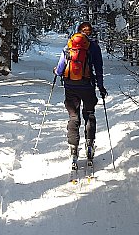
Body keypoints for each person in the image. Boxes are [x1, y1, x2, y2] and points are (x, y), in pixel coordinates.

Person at [54, 22, 107, 168]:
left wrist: (56, 72)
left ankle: (73, 149)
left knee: (73, 117)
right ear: (90, 33)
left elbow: (60, 69)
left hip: (70, 86)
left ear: (78, 31)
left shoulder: (69, 45)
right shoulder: (93, 47)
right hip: (87, 86)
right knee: (89, 114)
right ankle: (89, 146)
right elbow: (99, 68)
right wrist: (101, 86)